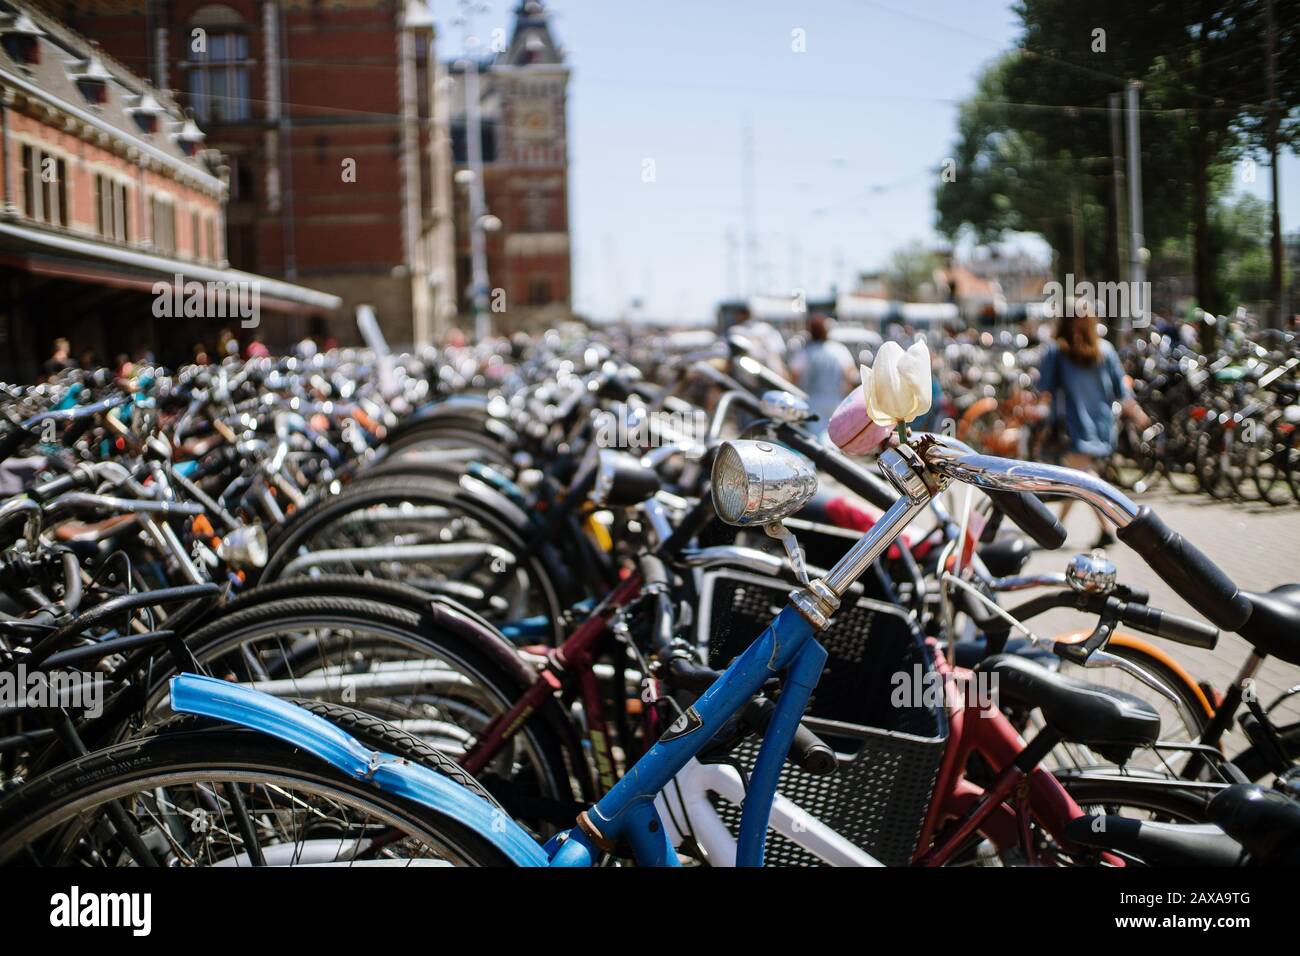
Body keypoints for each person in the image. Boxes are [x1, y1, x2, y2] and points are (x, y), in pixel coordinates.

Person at [1038, 299, 1149, 548]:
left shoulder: (1056, 351)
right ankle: (1056, 528)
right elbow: (1122, 391)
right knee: (1079, 478)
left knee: (1084, 477)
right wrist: (1138, 414)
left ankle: (1109, 526)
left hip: (1071, 426)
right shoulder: (1105, 350)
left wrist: (1038, 419)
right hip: (1101, 424)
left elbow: (1044, 390)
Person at [789, 314, 857, 436]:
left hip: (812, 402)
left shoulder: (806, 352)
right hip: (835, 400)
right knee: (834, 437)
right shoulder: (838, 350)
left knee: (816, 439)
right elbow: (851, 375)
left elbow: (794, 376)